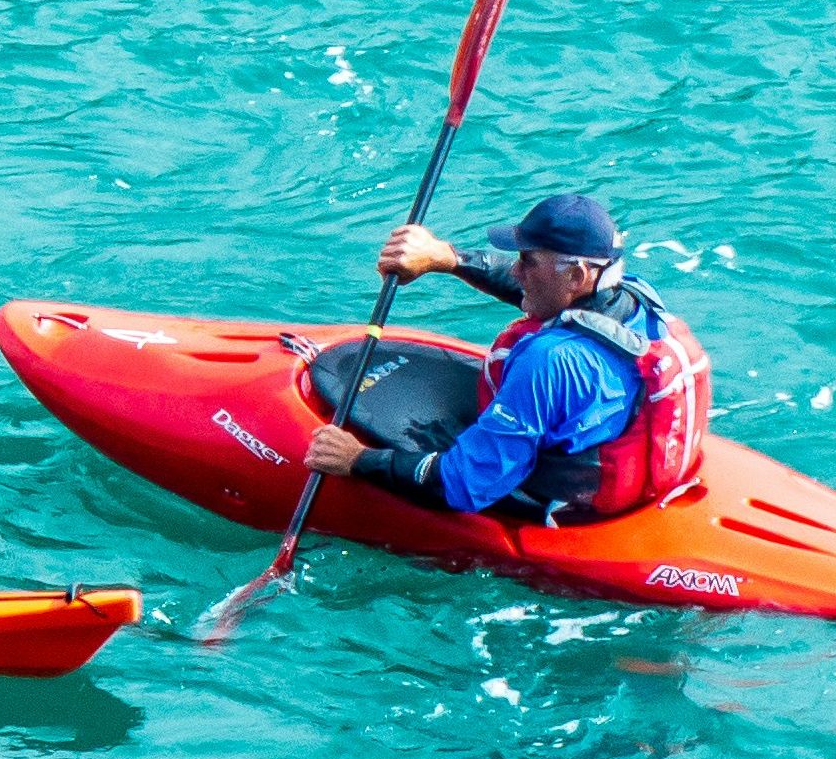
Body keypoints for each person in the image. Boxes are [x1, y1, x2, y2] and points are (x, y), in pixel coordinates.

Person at [296, 189, 710, 523]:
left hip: (560, 506)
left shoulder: (549, 362)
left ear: (578, 275)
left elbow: (467, 486)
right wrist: (449, 258)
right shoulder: (634, 301)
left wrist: (358, 460)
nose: (515, 271)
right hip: (637, 478)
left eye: (528, 261)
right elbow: (547, 299)